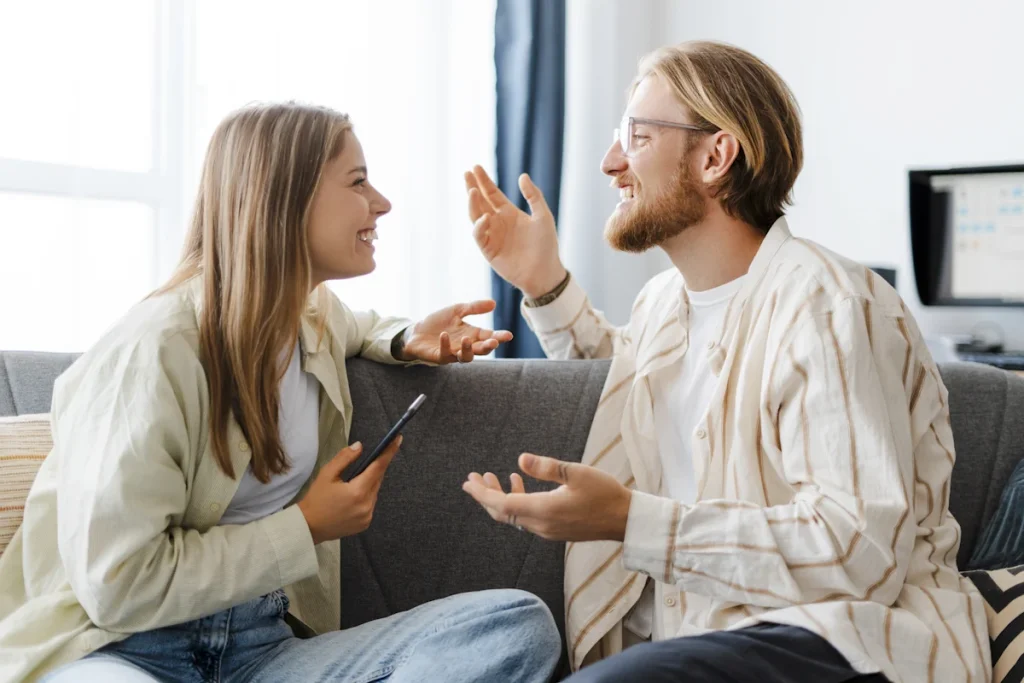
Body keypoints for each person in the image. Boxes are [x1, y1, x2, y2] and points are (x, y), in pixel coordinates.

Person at [462, 41, 989, 683]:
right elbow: (630, 382)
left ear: (715, 156)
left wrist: (633, 520)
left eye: (635, 135)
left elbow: (860, 549)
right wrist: (542, 282)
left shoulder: (826, 304)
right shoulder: (664, 304)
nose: (610, 162)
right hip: (706, 643)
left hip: (844, 642)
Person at [0, 102, 561, 683]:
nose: (382, 203)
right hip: (121, 650)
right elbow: (118, 587)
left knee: (514, 626)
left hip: (263, 653)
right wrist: (305, 527)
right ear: (284, 198)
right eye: (358, 181)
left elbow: (358, 325)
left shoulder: (307, 317)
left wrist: (405, 337)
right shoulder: (154, 351)